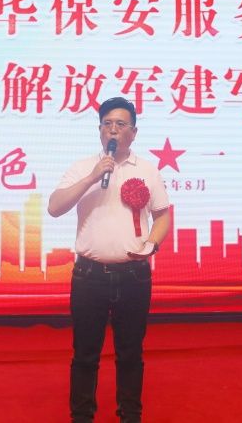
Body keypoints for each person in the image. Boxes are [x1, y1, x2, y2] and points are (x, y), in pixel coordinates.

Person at [48, 97, 170, 423]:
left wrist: (151, 244)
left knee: (130, 353)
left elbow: (162, 215)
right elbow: (55, 207)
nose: (113, 129)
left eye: (120, 124)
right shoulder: (83, 168)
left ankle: (130, 416)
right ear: (100, 130)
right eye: (107, 124)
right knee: (85, 355)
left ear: (133, 132)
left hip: (134, 276)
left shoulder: (147, 170)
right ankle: (81, 417)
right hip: (89, 277)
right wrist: (91, 177)